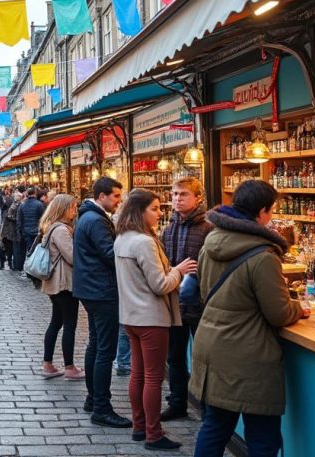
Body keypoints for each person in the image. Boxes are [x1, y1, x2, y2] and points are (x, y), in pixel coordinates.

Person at [191, 180, 306, 457]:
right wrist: (298, 307)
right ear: (263, 211)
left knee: (215, 426)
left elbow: (205, 291)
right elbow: (278, 313)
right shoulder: (263, 256)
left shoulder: (211, 242)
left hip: (211, 346)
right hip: (248, 355)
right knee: (263, 437)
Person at [115, 189, 198, 450]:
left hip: (130, 315)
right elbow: (160, 285)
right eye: (155, 208)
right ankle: (153, 433)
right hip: (151, 317)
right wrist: (178, 270)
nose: (160, 213)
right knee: (152, 377)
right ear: (140, 211)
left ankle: (140, 427)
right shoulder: (144, 241)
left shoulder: (122, 238)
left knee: (138, 374)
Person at [73, 176, 129, 428]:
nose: (119, 201)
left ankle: (93, 398)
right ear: (102, 196)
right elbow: (110, 254)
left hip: (89, 288)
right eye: (116, 196)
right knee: (105, 349)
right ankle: (102, 407)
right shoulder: (96, 220)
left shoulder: (88, 217)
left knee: (96, 344)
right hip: (101, 289)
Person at [160, 177, 213, 422]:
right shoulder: (168, 229)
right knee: (175, 356)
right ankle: (178, 402)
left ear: (198, 198)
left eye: (183, 194)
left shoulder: (208, 228)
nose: (177, 199)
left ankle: (206, 406)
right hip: (174, 304)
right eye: (174, 194)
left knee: (202, 358)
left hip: (201, 304)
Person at [38, 194, 84, 382]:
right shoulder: (61, 230)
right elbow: (72, 257)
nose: (75, 211)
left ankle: (48, 364)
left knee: (56, 322)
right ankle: (69, 367)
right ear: (63, 209)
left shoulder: (51, 227)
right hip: (63, 283)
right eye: (72, 207)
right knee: (69, 325)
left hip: (55, 283)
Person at [18, 188, 46, 279]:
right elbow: (43, 218)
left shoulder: (22, 205)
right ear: (35, 193)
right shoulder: (39, 204)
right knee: (36, 251)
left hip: (26, 231)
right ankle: (33, 270)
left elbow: (19, 220)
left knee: (29, 250)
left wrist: (22, 230)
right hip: (36, 231)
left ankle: (29, 270)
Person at [1, 191, 22, 271]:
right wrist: (16, 219)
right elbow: (10, 216)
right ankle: (10, 263)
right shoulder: (14, 205)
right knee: (10, 247)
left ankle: (6, 263)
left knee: (7, 247)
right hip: (11, 230)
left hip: (7, 230)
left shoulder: (11, 205)